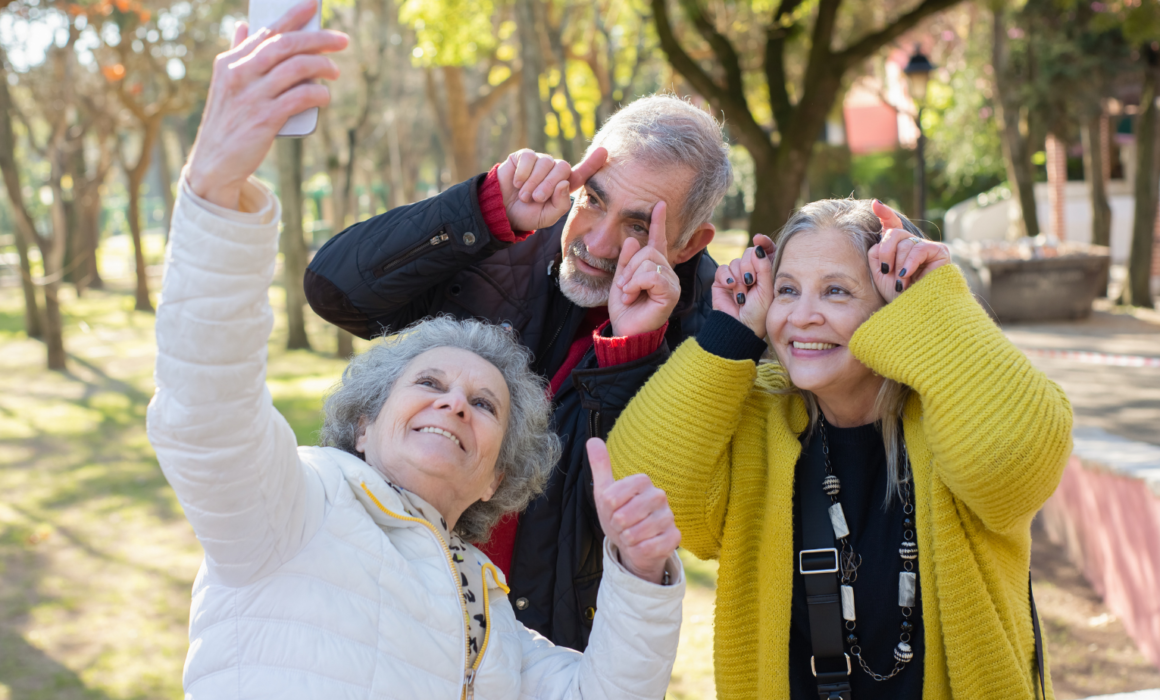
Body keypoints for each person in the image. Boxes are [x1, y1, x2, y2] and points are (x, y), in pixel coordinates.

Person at [150, 3, 687, 696]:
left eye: (485, 405)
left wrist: (641, 576)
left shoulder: (489, 616)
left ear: (497, 478)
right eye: (429, 384)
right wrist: (217, 191)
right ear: (365, 425)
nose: (455, 404)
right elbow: (205, 412)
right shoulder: (293, 508)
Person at [304, 80, 732, 648]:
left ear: (688, 244)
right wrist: (482, 208)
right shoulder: (504, 237)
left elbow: (613, 512)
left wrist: (632, 350)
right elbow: (334, 291)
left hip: (536, 649)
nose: (597, 243)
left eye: (637, 225)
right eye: (594, 198)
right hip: (390, 607)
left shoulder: (709, 333)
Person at [606, 198, 1074, 699]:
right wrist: (729, 335)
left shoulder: (955, 410)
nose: (803, 316)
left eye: (836, 291)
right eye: (787, 290)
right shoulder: (758, 418)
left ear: (893, 304)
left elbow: (1011, 466)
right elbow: (642, 486)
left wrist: (935, 301)